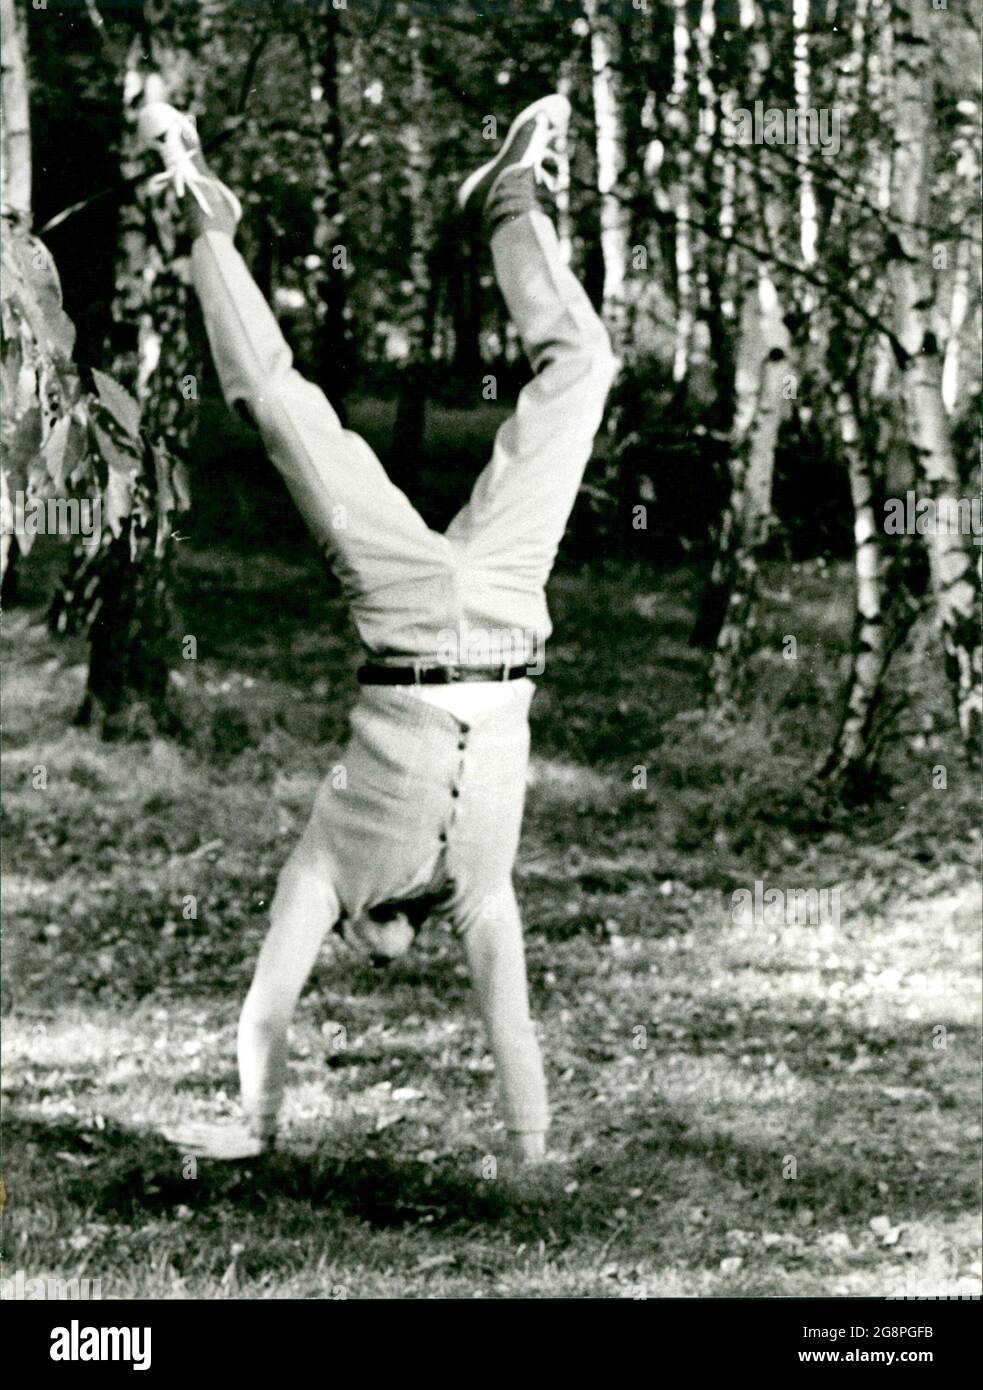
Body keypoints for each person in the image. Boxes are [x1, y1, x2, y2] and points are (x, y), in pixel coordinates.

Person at [141, 94, 618, 1166]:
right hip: (504, 602)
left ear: (350, 934)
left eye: (364, 951)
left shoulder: (329, 866)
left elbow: (267, 1003)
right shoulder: (479, 892)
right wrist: (530, 1150)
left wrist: (254, 1128)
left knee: (278, 404)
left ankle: (203, 216)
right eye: (402, 953)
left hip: (400, 609)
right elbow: (511, 1019)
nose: (389, 951)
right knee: (582, 375)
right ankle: (507, 205)